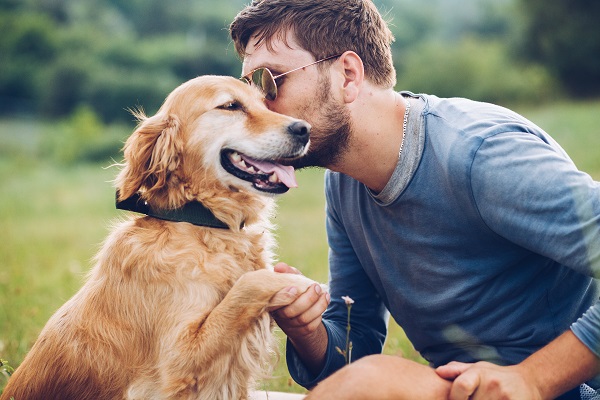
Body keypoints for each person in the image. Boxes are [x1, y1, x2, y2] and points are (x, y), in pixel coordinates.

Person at [229, 1, 600, 399]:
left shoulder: (479, 154)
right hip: (463, 388)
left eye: (268, 81)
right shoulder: (345, 184)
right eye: (246, 88)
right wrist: (307, 330)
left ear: (347, 75)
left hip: (574, 391)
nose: (255, 106)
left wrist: (534, 378)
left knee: (369, 384)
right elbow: (352, 350)